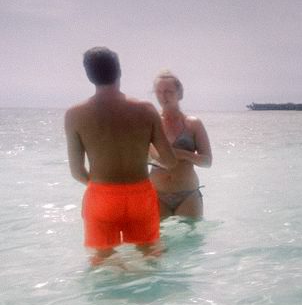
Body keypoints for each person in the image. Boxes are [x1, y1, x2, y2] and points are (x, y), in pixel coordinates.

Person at [65, 47, 177, 263]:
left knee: (103, 260)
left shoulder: (75, 115)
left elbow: (77, 172)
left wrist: (102, 188)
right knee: (150, 254)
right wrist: (146, 152)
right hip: (140, 195)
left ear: (89, 76)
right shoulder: (146, 109)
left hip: (101, 195)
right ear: (119, 71)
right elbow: (170, 161)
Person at [149, 70, 213, 219]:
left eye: (168, 91)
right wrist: (155, 156)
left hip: (188, 194)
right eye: (159, 92)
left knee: (190, 241)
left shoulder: (193, 124)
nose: (163, 96)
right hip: (157, 194)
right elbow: (141, 159)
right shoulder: (151, 123)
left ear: (179, 93)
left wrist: (182, 154)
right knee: (159, 241)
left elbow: (207, 162)